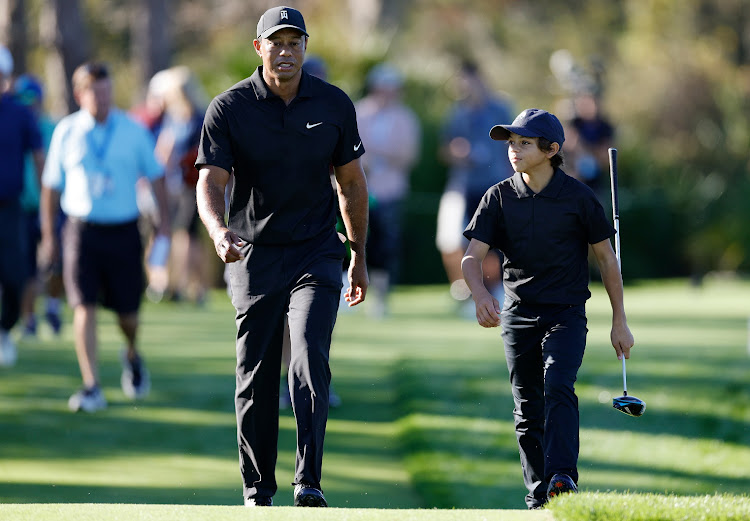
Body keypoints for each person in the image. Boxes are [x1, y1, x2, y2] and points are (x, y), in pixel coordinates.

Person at [195, 6, 369, 508]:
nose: (286, 51)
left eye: (295, 42)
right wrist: (218, 230)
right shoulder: (229, 108)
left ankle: (308, 480)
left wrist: (357, 255)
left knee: (310, 358)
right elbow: (210, 181)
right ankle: (257, 489)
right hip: (254, 253)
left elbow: (352, 184)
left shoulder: (333, 104)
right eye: (277, 42)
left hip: (317, 249)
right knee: (256, 373)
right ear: (259, 48)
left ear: (305, 48)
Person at [460, 108, 634, 509]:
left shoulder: (578, 198)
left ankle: (562, 478)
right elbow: (472, 258)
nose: (514, 150)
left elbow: (607, 260)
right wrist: (482, 295)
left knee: (557, 383)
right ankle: (539, 497)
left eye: (524, 143)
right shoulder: (498, 196)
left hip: (566, 313)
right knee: (527, 406)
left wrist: (619, 322)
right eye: (511, 143)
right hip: (518, 315)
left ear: (551, 149)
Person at [39, 62, 170, 412]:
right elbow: (50, 188)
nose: (102, 98)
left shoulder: (133, 130)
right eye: (95, 91)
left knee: (128, 315)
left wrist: (165, 226)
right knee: (83, 306)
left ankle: (131, 353)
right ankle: (92, 385)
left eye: (106, 90)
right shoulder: (66, 131)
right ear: (80, 94)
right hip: (81, 231)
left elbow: (156, 178)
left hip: (125, 231)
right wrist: (49, 235)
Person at [436, 60, 514, 311]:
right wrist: (457, 152)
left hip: (495, 186)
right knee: (461, 242)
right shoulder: (456, 112)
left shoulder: (500, 109)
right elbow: (444, 150)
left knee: (494, 245)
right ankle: (473, 293)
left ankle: (495, 291)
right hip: (464, 186)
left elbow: (515, 146)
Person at [355, 63, 420, 318]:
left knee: (385, 245)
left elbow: (408, 156)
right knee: (351, 241)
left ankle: (380, 297)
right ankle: (348, 291)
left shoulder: (405, 117)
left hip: (391, 192)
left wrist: (375, 154)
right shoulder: (358, 112)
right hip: (359, 190)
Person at [0, 46, 45, 366]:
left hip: (10, 206)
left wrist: (46, 202)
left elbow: (39, 159)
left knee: (15, 275)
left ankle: (6, 328)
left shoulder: (20, 113)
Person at [14, 74, 64, 338]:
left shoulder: (53, 129)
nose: (28, 106)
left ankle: (53, 307)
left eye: (32, 101)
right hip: (21, 207)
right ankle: (29, 318)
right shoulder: (13, 126)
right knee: (26, 267)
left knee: (56, 261)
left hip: (53, 206)